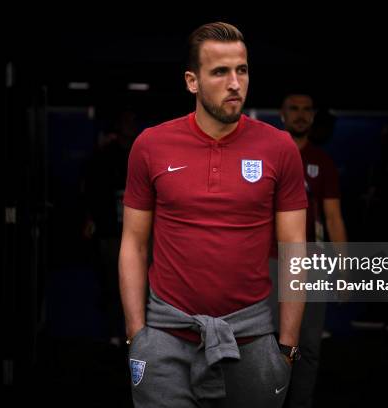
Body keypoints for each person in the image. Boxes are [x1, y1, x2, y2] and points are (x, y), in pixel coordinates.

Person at [120, 22, 307, 408]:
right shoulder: (151, 145)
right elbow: (133, 245)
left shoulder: (280, 147)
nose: (235, 82)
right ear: (192, 81)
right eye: (220, 72)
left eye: (242, 69)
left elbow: (294, 250)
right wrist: (138, 336)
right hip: (166, 337)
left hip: (252, 340)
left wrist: (286, 347)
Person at [272, 93, 347, 408]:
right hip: (270, 262)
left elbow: (333, 217)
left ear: (313, 116)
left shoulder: (323, 161)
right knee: (270, 344)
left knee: (309, 345)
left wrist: (343, 267)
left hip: (312, 265)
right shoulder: (268, 156)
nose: (300, 115)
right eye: (294, 109)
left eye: (306, 110)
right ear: (282, 114)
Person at [82, 109, 139, 346]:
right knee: (112, 282)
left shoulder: (139, 154)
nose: (129, 127)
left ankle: (132, 332)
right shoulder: (105, 155)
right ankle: (115, 333)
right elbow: (92, 190)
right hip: (111, 230)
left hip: (135, 231)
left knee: (135, 284)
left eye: (131, 122)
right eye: (125, 122)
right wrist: (91, 219)